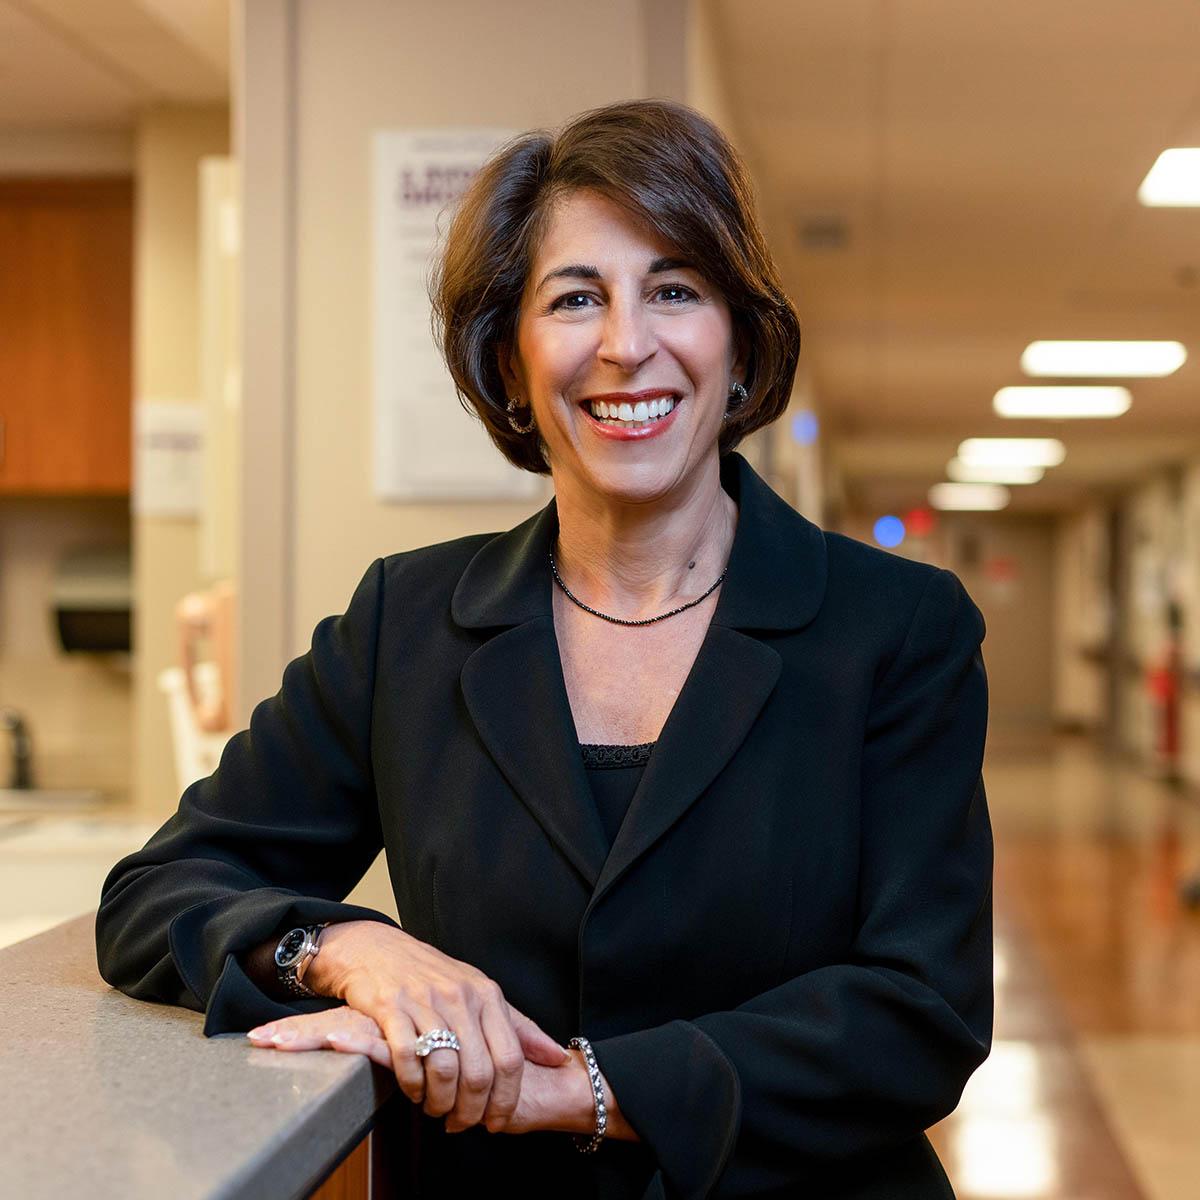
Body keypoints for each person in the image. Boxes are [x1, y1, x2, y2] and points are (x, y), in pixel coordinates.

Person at [96, 98, 992, 1199]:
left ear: (740, 340)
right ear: (509, 361)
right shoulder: (408, 619)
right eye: (575, 298)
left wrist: (581, 1088)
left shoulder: (898, 629)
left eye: (676, 289)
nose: (627, 344)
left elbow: (923, 1010)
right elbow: (159, 890)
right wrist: (347, 949)